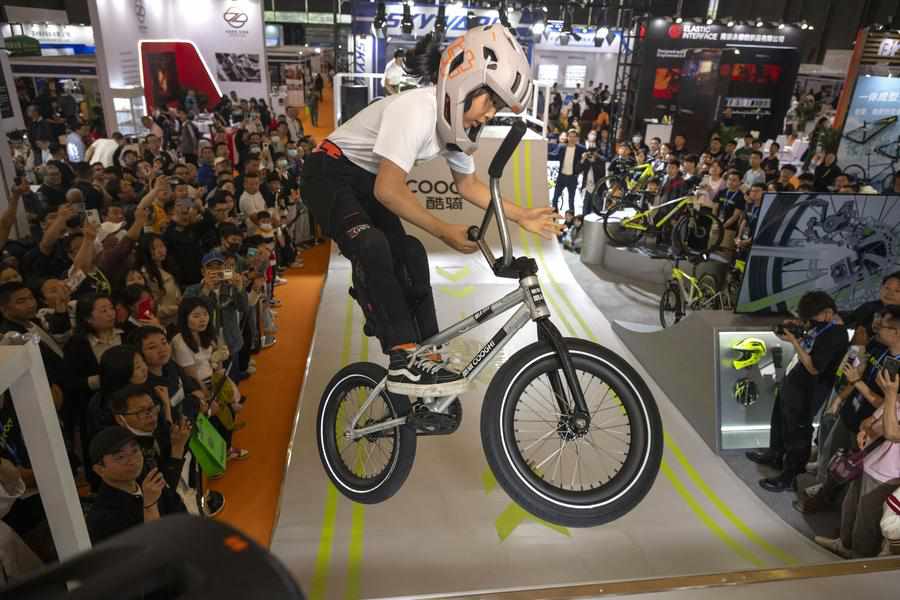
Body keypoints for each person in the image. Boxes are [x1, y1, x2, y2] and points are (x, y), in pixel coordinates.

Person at [302, 26, 558, 397]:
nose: (489, 115)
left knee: (411, 253)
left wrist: (522, 215)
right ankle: (402, 357)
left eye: (498, 109)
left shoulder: (453, 126)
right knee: (373, 246)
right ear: (464, 85)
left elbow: (469, 186)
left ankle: (427, 356)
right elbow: (388, 190)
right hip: (329, 172)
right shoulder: (417, 109)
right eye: (490, 101)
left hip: (365, 179)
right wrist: (444, 230)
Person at [747, 291, 849, 491]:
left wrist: (794, 342)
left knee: (798, 430)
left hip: (810, 389)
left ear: (828, 313)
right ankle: (775, 454)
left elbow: (814, 368)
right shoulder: (820, 325)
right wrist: (793, 332)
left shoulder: (835, 335)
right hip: (794, 378)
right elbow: (807, 345)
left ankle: (791, 476)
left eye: (812, 317)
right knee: (780, 417)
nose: (809, 321)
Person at [816, 358, 900, 558]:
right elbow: (886, 410)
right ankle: (844, 544)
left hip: (887, 473)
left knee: (867, 519)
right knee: (850, 506)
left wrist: (889, 394)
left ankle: (859, 561)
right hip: (871, 460)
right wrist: (869, 424)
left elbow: (893, 433)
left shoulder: (892, 395)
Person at [85, 425, 187, 543]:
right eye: (120, 457)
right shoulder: (101, 517)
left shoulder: (150, 483)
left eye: (135, 451)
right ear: (100, 469)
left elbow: (182, 518)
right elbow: (150, 549)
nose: (132, 459)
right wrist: (150, 505)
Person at [552, 129, 586, 213]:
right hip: (561, 177)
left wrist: (582, 160)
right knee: (555, 199)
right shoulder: (562, 147)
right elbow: (554, 155)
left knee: (571, 201)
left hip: (572, 178)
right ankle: (554, 217)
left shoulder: (581, 149)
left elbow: (586, 160)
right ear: (567, 137)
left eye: (574, 136)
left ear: (577, 138)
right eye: (570, 136)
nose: (572, 138)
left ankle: (571, 219)